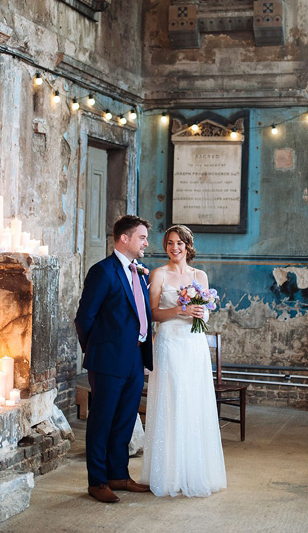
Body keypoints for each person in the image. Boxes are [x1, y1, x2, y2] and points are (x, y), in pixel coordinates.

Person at [140, 224, 226, 497]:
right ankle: (168, 473)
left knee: (193, 402)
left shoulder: (199, 275)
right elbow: (152, 314)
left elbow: (207, 314)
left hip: (193, 344)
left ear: (188, 246)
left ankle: (195, 470)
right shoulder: (159, 274)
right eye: (169, 243)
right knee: (171, 400)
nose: (174, 248)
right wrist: (179, 309)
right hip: (169, 344)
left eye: (179, 243)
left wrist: (200, 313)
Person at [75, 215, 154, 503]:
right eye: (142, 237)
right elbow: (84, 318)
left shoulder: (139, 272)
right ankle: (97, 481)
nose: (146, 242)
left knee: (124, 420)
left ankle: (118, 475)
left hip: (135, 358)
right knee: (102, 422)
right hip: (107, 360)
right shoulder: (103, 271)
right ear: (124, 238)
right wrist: (97, 350)